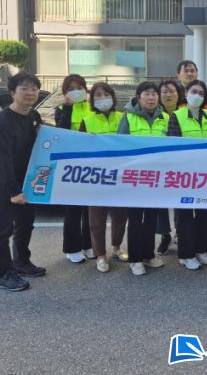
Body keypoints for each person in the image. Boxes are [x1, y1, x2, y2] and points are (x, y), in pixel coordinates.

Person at [0, 72, 45, 292]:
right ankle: (4, 273)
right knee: (2, 227)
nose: (30, 93)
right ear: (13, 92)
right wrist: (13, 191)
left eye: (34, 89)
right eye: (24, 88)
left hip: (25, 177)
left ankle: (21, 261)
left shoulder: (33, 115)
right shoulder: (3, 121)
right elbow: (1, 160)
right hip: (2, 181)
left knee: (26, 222)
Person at [117, 81, 168, 276]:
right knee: (136, 218)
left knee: (151, 218)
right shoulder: (128, 117)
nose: (151, 97)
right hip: (135, 177)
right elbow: (120, 145)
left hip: (157, 177)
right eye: (147, 94)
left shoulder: (165, 117)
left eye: (154, 94)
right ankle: (135, 259)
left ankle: (148, 254)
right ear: (138, 97)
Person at [80, 82, 128, 273]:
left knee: (120, 216)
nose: (102, 98)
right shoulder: (87, 120)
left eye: (106, 94)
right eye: (98, 95)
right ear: (92, 100)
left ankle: (116, 247)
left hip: (120, 175)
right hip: (96, 177)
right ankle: (100, 255)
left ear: (113, 97)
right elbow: (81, 149)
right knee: (97, 220)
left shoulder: (123, 117)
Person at [167, 80, 207, 270]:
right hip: (184, 175)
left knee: (203, 215)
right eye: (194, 91)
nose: (197, 96)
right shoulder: (176, 116)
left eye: (201, 93)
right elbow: (173, 147)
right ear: (186, 93)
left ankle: (201, 250)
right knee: (185, 216)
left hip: (205, 175)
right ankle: (186, 254)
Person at [55, 74, 95, 264]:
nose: (76, 91)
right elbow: (61, 132)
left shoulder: (92, 107)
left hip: (92, 163)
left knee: (90, 208)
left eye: (79, 87)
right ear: (65, 92)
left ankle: (89, 244)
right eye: (71, 89)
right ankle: (72, 247)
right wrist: (68, 107)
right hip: (71, 164)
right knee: (73, 209)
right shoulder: (61, 109)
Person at [155, 79, 184, 254]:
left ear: (179, 94)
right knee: (161, 203)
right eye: (164, 92)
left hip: (180, 165)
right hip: (160, 165)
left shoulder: (183, 113)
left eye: (172, 91)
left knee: (180, 201)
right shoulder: (155, 113)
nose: (168, 95)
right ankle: (165, 235)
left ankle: (180, 233)